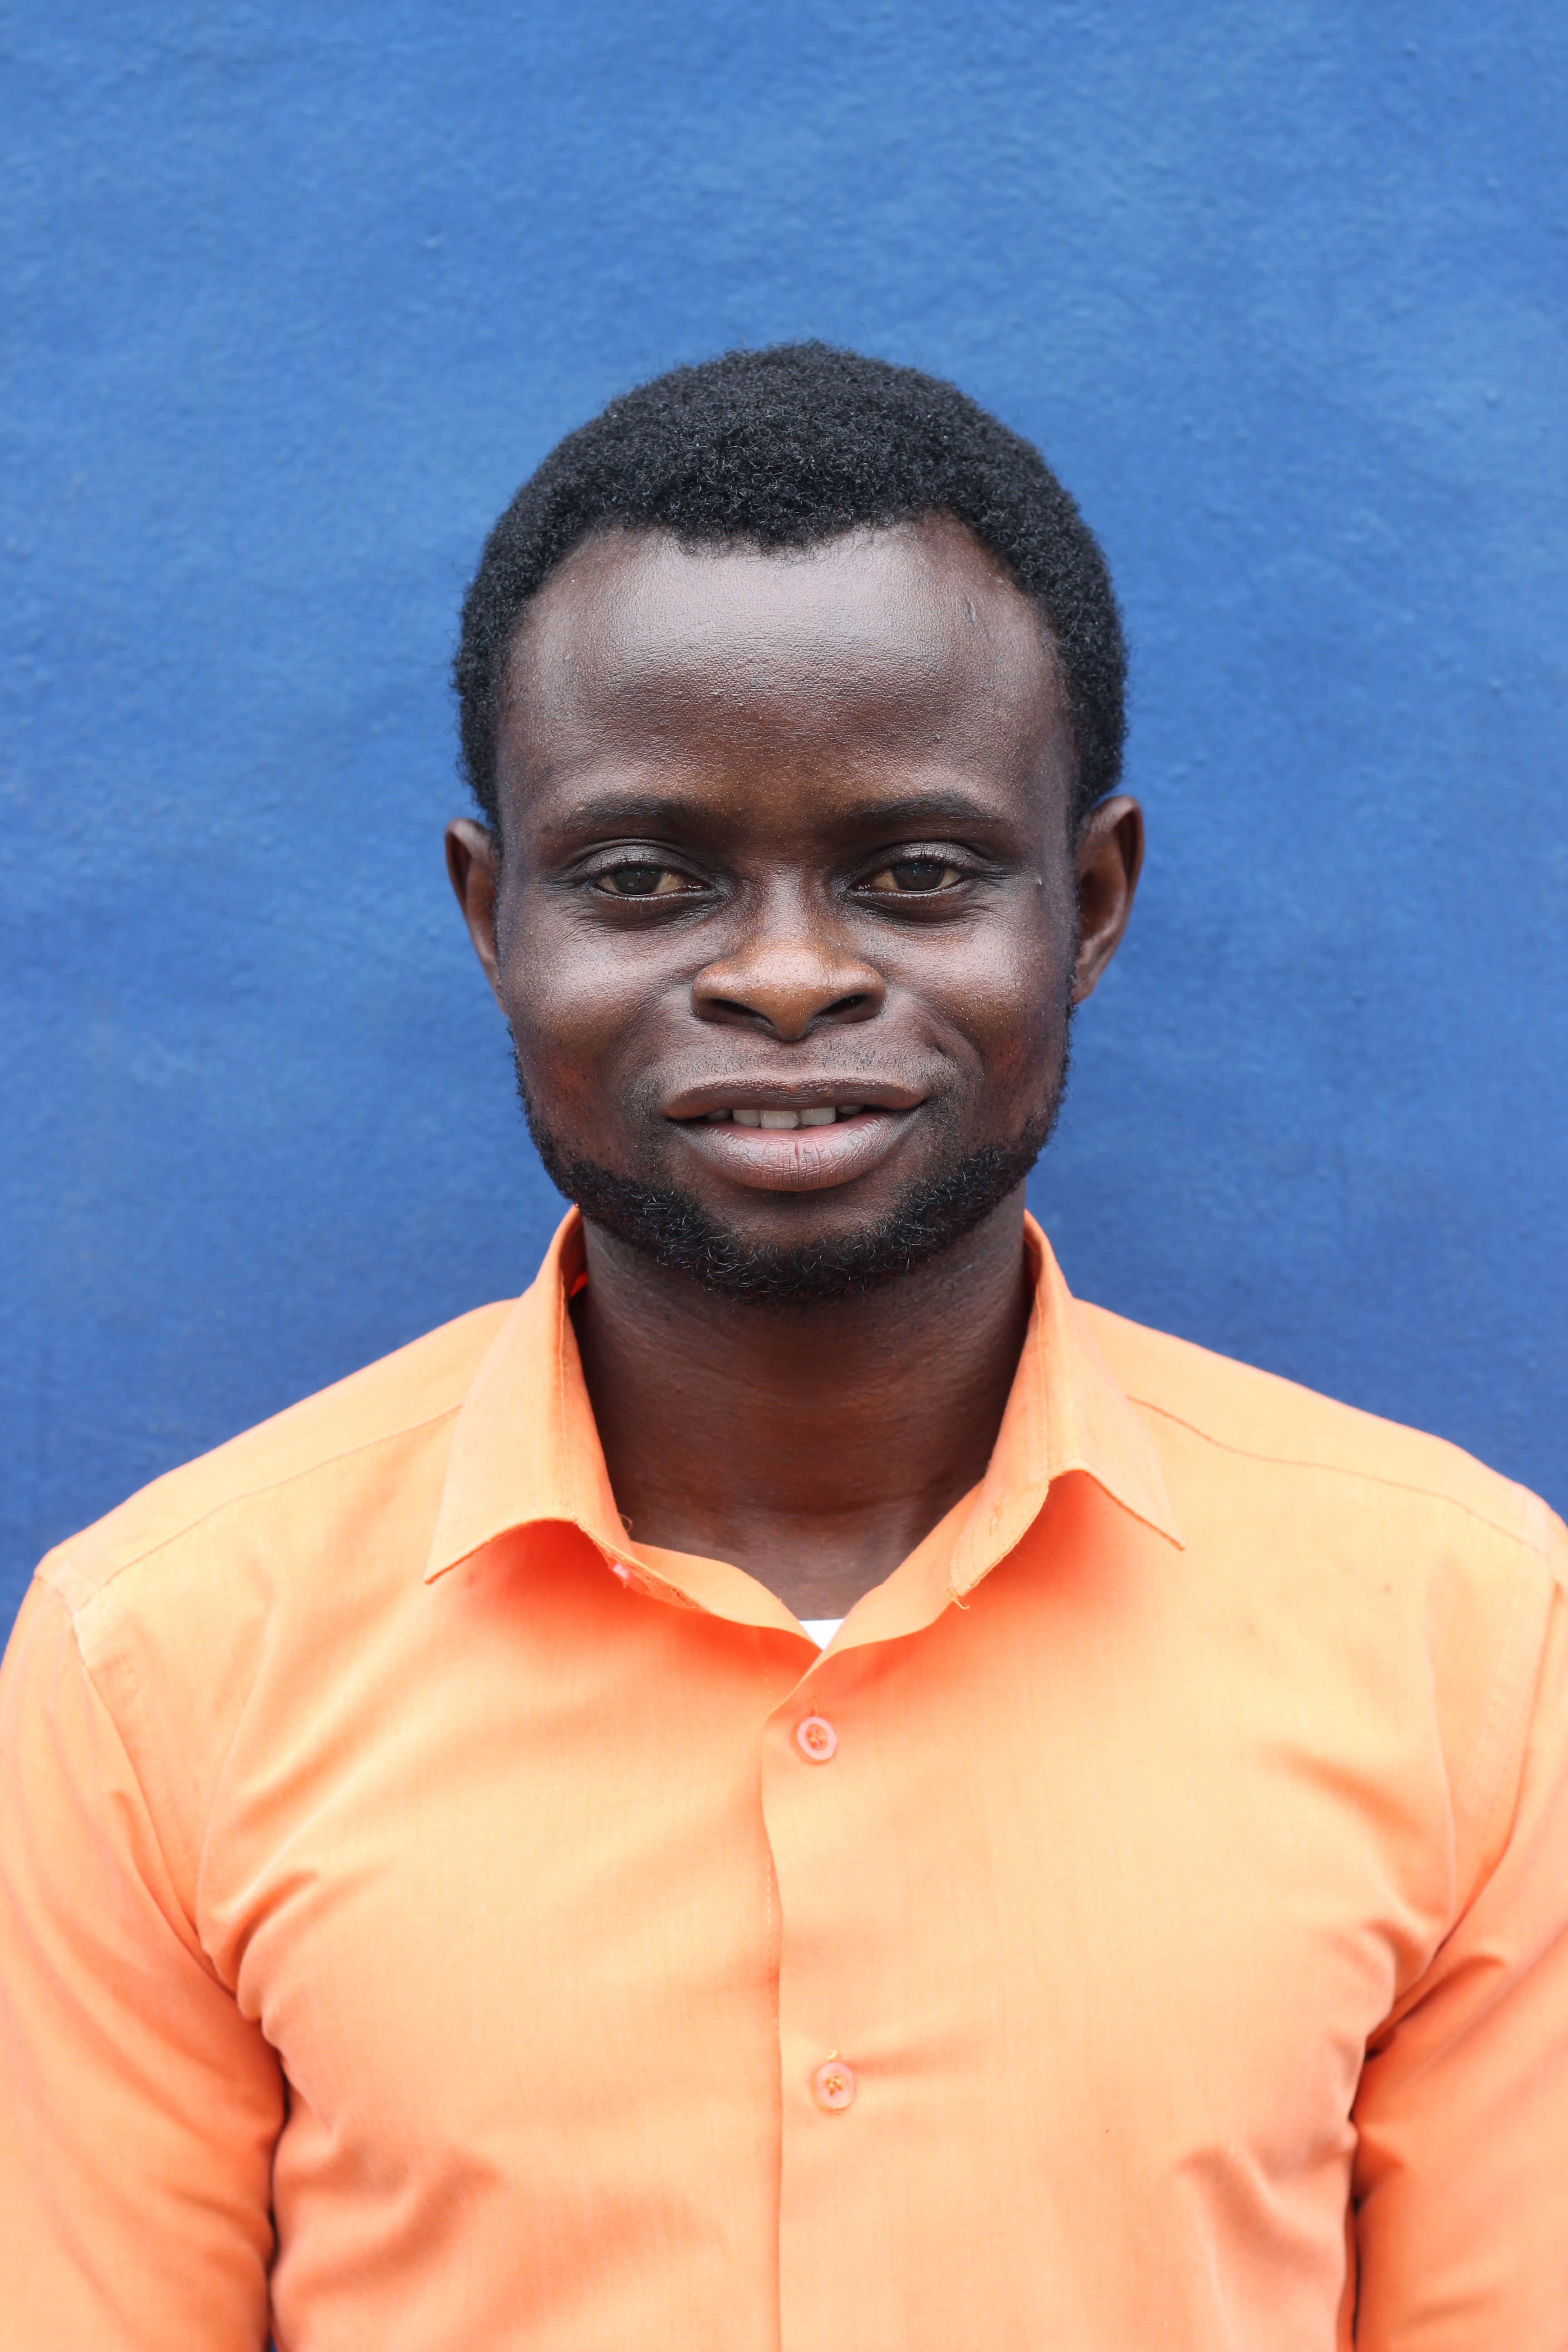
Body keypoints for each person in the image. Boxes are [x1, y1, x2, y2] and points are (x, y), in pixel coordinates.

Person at [1, 343, 1564, 2352]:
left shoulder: (1468, 1641)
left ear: (1089, 903)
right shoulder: (155, 1667)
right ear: (492, 915)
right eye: (645, 878)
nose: (790, 975)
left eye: (915, 873)